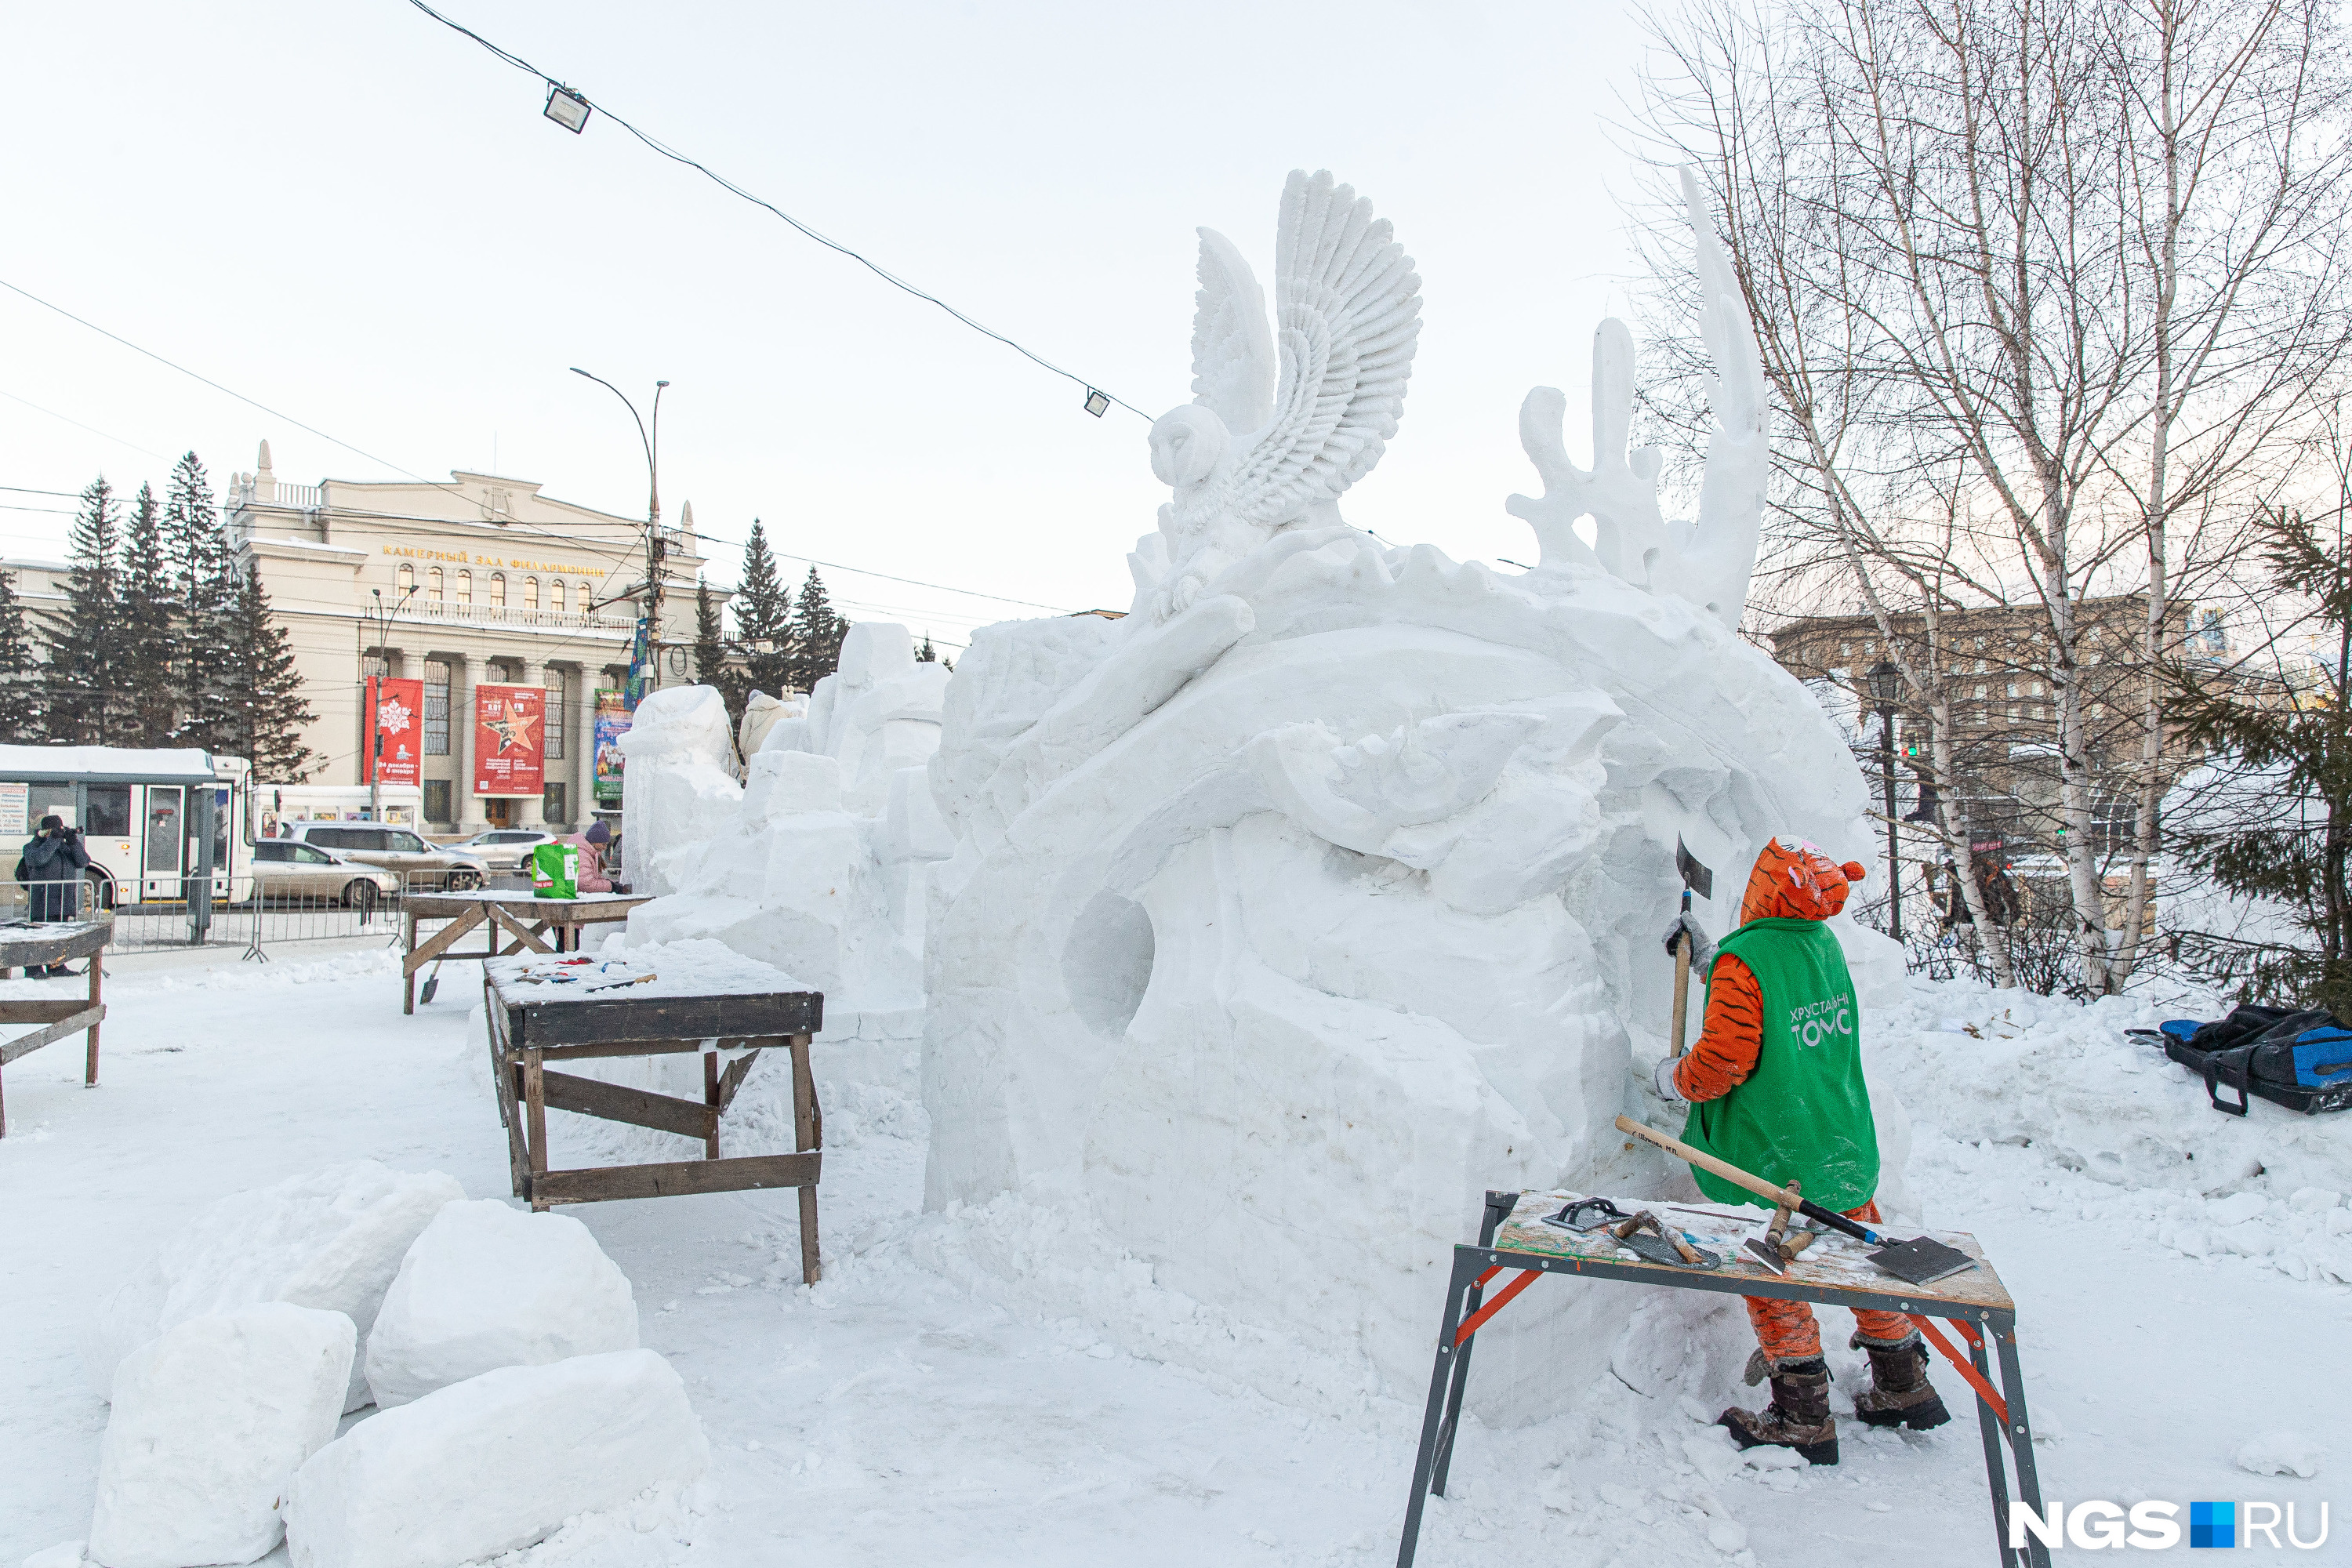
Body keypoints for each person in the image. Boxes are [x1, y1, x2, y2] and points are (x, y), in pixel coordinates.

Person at [1655, 837, 1947, 1465]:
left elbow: (1721, 1063)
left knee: (1770, 1269)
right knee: (1858, 1256)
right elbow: (1776, 992)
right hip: (1837, 1139)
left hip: (1774, 1155)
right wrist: (1710, 958)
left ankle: (1802, 1412)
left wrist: (1673, 1078)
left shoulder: (1747, 960)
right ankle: (1903, 1382)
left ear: (1764, 888)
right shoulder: (1821, 944)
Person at [17, 815, 91, 977]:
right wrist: (52, 840)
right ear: (45, 831)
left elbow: (84, 862)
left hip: (64, 901)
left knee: (59, 937)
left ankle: (57, 966)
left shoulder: (64, 848)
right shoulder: (32, 846)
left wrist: (73, 842)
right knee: (39, 938)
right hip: (42, 901)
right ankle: (33, 969)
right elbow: (39, 859)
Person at [557, 819, 613, 894]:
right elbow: (586, 884)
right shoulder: (582, 854)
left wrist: (609, 883)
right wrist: (610, 886)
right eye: (603, 844)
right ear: (594, 842)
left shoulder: (591, 852)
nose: (605, 847)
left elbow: (594, 878)